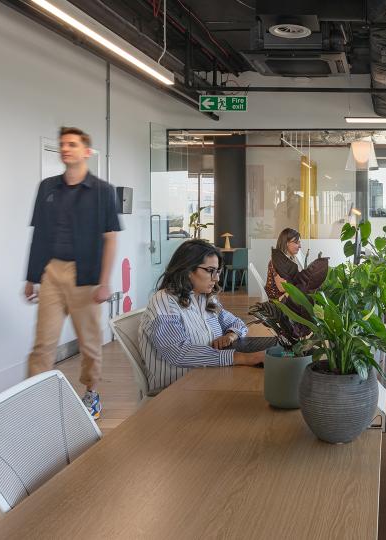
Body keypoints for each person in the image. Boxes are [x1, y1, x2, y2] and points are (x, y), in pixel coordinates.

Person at [25, 126, 120, 420]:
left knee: (89, 343)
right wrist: (31, 277)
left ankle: (91, 392)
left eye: (72, 144)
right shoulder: (47, 187)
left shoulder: (102, 191)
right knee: (43, 343)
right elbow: (38, 234)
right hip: (52, 271)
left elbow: (111, 238)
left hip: (86, 275)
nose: (66, 148)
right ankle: (37, 400)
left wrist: (105, 283)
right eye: (63, 144)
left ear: (86, 151)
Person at [140, 240, 276, 394]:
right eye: (210, 270)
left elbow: (237, 323)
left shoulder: (205, 298)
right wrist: (242, 358)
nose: (216, 278)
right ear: (187, 269)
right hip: (176, 392)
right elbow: (178, 353)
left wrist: (231, 335)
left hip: (209, 378)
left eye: (218, 271)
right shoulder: (164, 300)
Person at [265, 227, 303, 300]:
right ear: (286, 243)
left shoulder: (290, 258)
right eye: (297, 242)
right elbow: (282, 288)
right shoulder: (278, 261)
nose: (300, 246)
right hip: (278, 300)